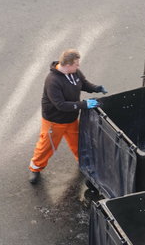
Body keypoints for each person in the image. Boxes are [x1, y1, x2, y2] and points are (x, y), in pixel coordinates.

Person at [28, 49, 107, 184]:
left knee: (79, 143)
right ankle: (35, 168)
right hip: (54, 121)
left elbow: (84, 83)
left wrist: (96, 88)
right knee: (46, 147)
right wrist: (84, 104)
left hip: (71, 119)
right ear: (68, 64)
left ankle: (84, 164)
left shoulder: (74, 72)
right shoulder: (52, 81)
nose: (78, 66)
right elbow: (61, 105)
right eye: (76, 64)